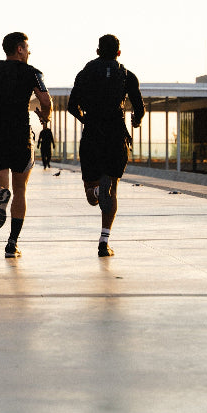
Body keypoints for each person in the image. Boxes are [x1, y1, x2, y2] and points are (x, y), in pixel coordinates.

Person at [0, 32, 51, 258]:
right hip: (21, 135)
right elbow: (45, 100)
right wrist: (45, 116)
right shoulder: (33, 72)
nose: (29, 52)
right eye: (28, 48)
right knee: (21, 189)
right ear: (20, 49)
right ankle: (12, 244)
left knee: (0, 187)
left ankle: (0, 197)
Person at [67, 34, 145, 257]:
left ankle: (95, 190)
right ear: (119, 52)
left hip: (92, 134)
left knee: (92, 198)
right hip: (116, 135)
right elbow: (139, 107)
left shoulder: (85, 73)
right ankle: (104, 240)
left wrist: (85, 119)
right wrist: (136, 121)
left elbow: (72, 105)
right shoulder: (127, 75)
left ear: (97, 51)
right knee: (113, 187)